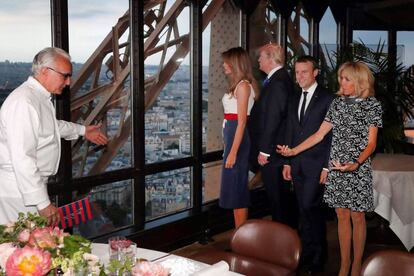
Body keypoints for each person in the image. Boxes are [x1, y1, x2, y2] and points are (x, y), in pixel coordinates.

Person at [277, 61, 382, 276]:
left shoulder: (372, 105)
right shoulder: (337, 104)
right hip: (336, 165)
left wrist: (357, 163)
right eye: (340, 78)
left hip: (358, 168)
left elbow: (372, 143)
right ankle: (344, 265)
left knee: (357, 217)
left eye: (346, 79)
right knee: (341, 216)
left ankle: (356, 265)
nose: (341, 82)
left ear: (359, 81)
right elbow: (318, 135)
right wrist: (294, 152)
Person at [0, 47, 108, 227]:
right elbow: (23, 158)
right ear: (44, 71)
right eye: (65, 75)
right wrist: (42, 203)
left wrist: (83, 131)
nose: (68, 82)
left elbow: (51, 127)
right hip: (20, 192)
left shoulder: (35, 98)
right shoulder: (24, 102)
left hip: (25, 189)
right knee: (23, 247)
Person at [283, 55, 334, 273]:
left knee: (310, 208)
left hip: (317, 164)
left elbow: (332, 137)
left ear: (315, 73)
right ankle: (305, 253)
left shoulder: (328, 98)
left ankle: (318, 256)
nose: (299, 76)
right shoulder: (294, 98)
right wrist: (288, 162)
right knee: (303, 210)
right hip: (297, 164)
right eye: (297, 72)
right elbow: (291, 131)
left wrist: (326, 166)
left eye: (304, 72)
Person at [249, 43, 296, 227]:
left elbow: (273, 119)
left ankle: (283, 246)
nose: (258, 60)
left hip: (273, 155)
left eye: (261, 56)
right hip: (276, 153)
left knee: (278, 202)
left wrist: (265, 151)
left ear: (270, 58)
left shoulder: (277, 82)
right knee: (280, 202)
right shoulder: (279, 79)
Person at [219, 47, 257, 228]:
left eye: (226, 62)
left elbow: (241, 122)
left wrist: (233, 152)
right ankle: (239, 235)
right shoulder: (241, 85)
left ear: (235, 63)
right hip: (233, 136)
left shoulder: (242, 86)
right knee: (235, 188)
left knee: (237, 189)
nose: (223, 65)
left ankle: (241, 237)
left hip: (237, 138)